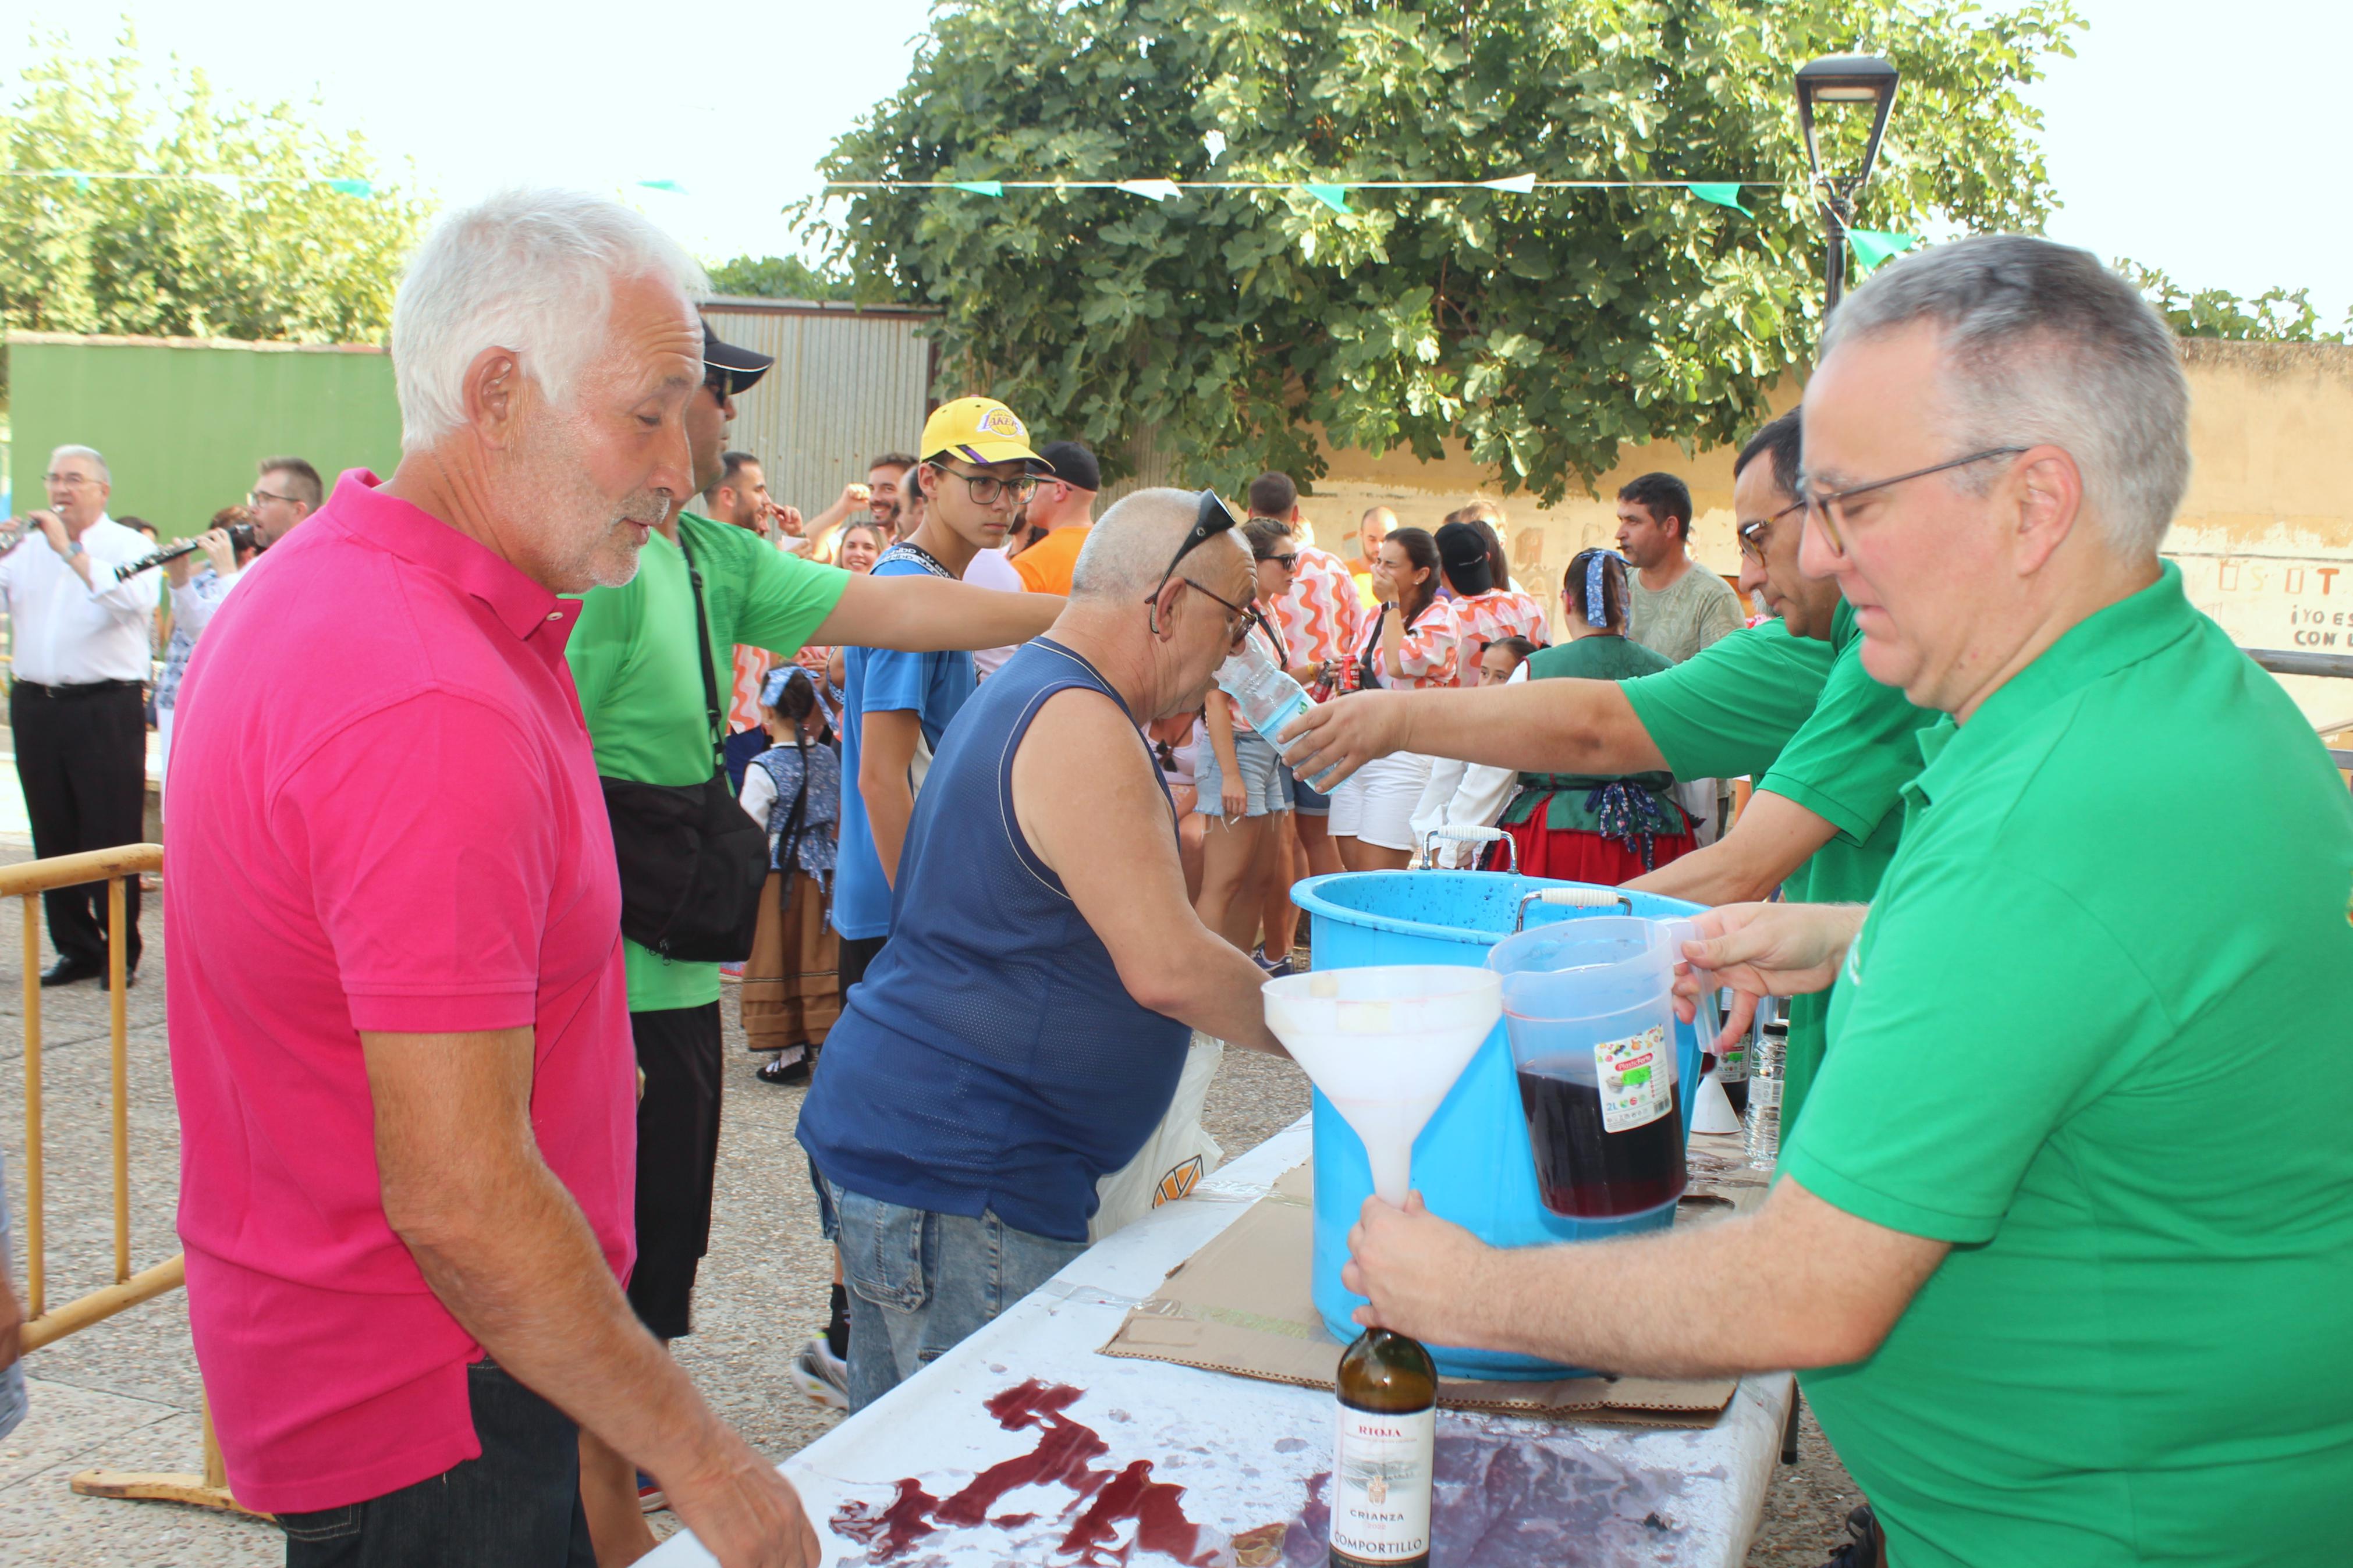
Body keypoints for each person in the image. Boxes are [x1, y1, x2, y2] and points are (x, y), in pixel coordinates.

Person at [1342, 234, 2353, 1568]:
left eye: (1852, 503)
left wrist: (1461, 1289)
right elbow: (2146, 977)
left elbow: (1808, 1287)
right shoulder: (2163, 699)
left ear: (2030, 505)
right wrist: (1866, 934)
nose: (1813, 554)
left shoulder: (2051, 820)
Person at [166, 188, 818, 1566]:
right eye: (649, 413)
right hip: (436, 1397)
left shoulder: (343, 584)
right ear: (499, 393)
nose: (680, 470)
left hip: (430, 1369)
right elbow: (461, 1200)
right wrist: (695, 1452)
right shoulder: (425, 691)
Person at [565, 344, 1057, 1547]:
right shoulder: (601, 571)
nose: (724, 416)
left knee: (654, 1246)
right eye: (705, 393)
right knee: (595, 1260)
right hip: (601, 977)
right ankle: (595, 1509)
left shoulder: (707, 556)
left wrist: (1083, 610)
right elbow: (541, 778)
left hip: (671, 964)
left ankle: (615, 1482)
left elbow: (901, 608)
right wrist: (573, 1007)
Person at [1281, 407, 1937, 1136]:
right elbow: (1606, 725)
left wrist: (1539, 946)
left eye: (1756, 538)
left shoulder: (1890, 652)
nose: (1748, 576)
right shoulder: (1816, 639)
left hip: (1902, 1071)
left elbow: (1717, 844)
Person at [797, 488, 1289, 1410]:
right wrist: (1340, 1033)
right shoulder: (1080, 723)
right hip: (963, 1180)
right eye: (1236, 618)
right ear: (1169, 605)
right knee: (970, 1494)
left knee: (911, 1489)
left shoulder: (1032, 687)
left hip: (930, 1166)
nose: (1239, 650)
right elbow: (1169, 965)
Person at [833, 398, 1053, 995]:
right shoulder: (911, 592)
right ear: (929, 480)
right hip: (904, 906)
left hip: (909, 895)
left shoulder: (921, 581)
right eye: (982, 482)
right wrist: (925, 917)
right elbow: (881, 776)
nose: (1003, 503)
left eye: (1016, 485)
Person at [3, 444, 163, 988]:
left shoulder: (127, 545)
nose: (60, 489)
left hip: (104, 706)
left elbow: (134, 601)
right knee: (52, 829)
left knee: (109, 828)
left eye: (74, 479)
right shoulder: (24, 545)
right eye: (53, 478)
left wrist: (69, 550)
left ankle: (121, 951)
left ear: (103, 490)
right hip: (35, 703)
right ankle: (76, 947)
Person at [1485, 551, 1692, 881]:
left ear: (1567, 602)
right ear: (1626, 603)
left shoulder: (1535, 669)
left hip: (1552, 839)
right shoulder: (1670, 674)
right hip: (1653, 839)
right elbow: (1695, 772)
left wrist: (1461, 844)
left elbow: (1491, 771)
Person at [1192, 520, 1298, 968]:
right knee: (1223, 882)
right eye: (1286, 560)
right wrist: (1230, 772)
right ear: (1254, 563)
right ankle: (1199, 986)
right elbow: (1215, 700)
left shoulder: (1268, 610)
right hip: (1234, 750)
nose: (1295, 569)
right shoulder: (1236, 610)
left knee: (1258, 879)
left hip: (1265, 750)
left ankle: (1231, 979)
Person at [1325, 525, 1457, 872]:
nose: (1379, 571)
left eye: (1391, 565)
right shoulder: (1374, 615)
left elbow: (1400, 664)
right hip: (1356, 751)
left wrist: (1393, 605)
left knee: (1378, 874)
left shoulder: (1440, 617)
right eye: (1378, 561)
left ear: (1421, 574)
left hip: (1404, 755)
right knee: (1352, 871)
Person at [739, 666, 841, 1087]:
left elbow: (750, 824)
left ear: (768, 709)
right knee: (817, 953)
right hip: (824, 869)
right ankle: (826, 1039)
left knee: (778, 953)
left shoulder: (763, 767)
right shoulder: (828, 757)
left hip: (778, 874)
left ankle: (790, 1050)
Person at [157, 506, 264, 809]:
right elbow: (200, 628)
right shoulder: (211, 576)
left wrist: (227, 572)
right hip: (179, 695)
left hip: (225, 705)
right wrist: (179, 580)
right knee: (179, 801)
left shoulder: (259, 570)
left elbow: (240, 631)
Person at [1614, 471, 1744, 663]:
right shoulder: (1616, 585)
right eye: (1621, 521)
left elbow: (1725, 683)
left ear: (1670, 527)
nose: (1620, 534)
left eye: (1633, 521)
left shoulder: (1713, 598)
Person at [1433, 518, 1546, 680]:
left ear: (1440, 571)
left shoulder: (1445, 624)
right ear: (1487, 557)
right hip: (1525, 704)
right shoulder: (1529, 606)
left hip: (1465, 706)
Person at [1006, 439, 1099, 595]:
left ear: (1059, 491)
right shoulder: (1119, 552)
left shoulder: (1030, 566)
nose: (1026, 493)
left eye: (1033, 483)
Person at [249, 455, 324, 547]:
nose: (252, 509)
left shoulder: (320, 558)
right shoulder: (261, 560)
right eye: (255, 499)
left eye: (265, 499)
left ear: (298, 510)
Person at [1345, 504, 1393, 608]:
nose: (1378, 547)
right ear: (1362, 534)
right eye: (1372, 540)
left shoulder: (1401, 578)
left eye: (1384, 541)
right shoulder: (1343, 573)